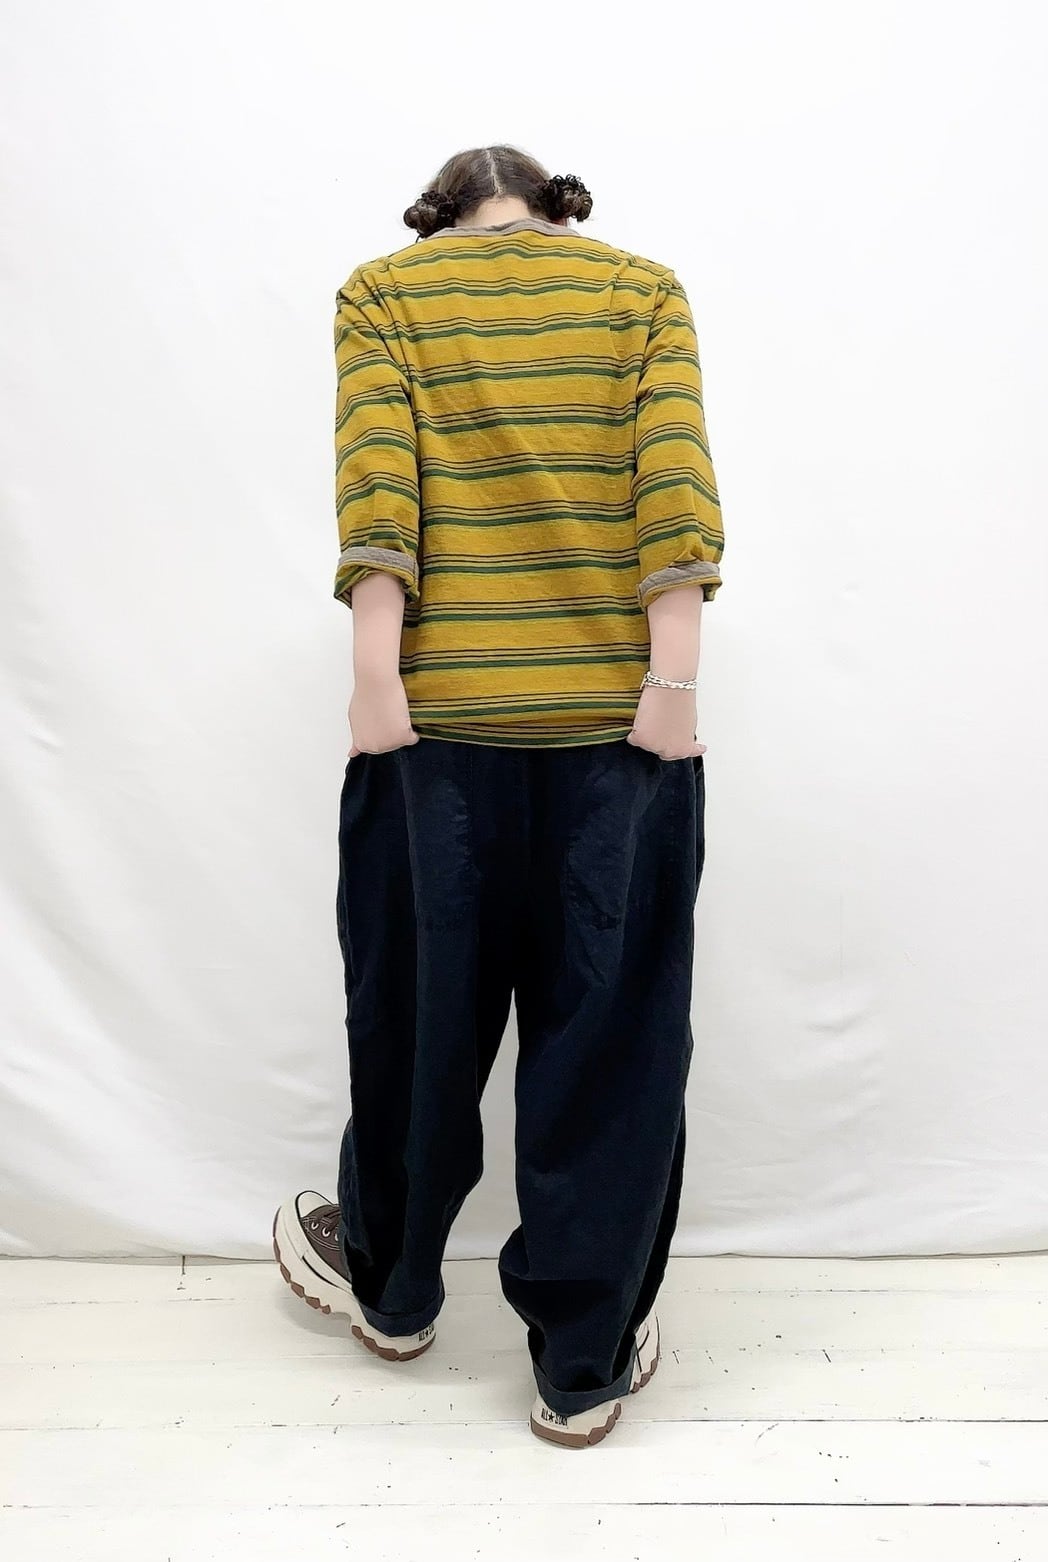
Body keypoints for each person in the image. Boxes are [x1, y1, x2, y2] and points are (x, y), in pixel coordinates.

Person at [273, 144, 725, 1449]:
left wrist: (375, 683)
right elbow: (675, 496)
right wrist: (674, 688)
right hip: (618, 739)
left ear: (440, 219)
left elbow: (378, 497)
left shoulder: (385, 293)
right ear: (556, 208)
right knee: (613, 1044)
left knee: (416, 1028)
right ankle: (582, 1362)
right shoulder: (641, 291)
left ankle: (394, 1293)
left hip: (436, 739)